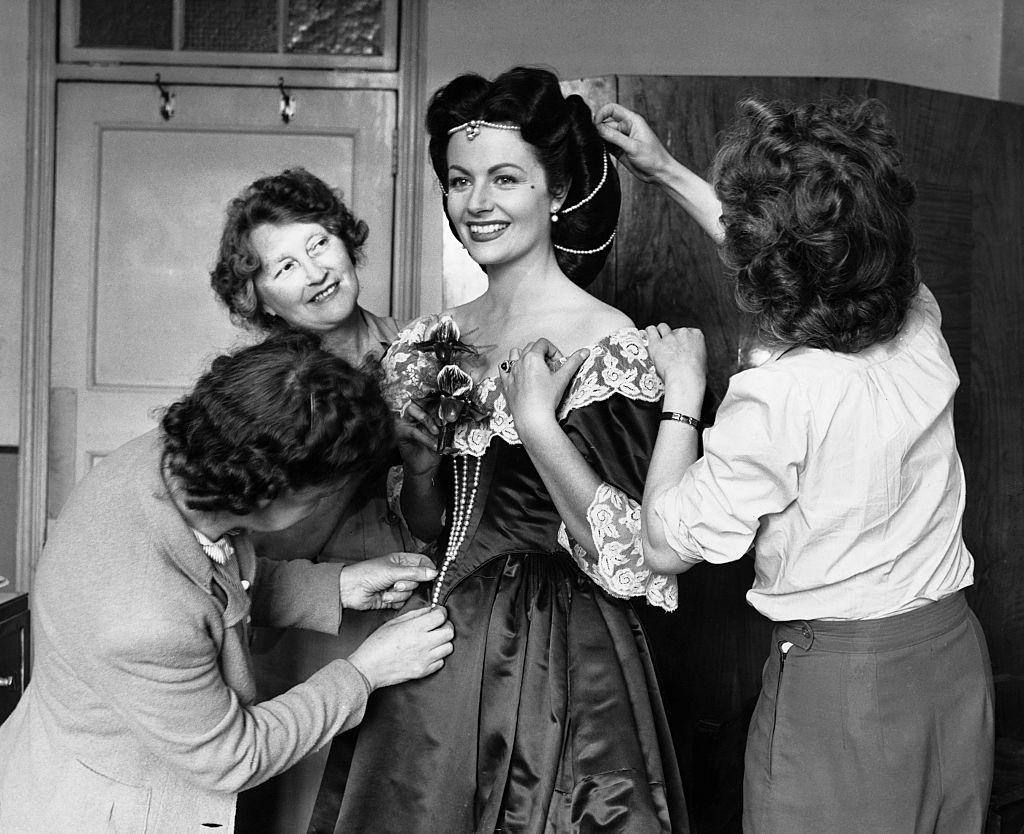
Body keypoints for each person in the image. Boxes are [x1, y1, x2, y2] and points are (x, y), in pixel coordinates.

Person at [596, 97, 995, 831]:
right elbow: (818, 248)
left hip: (845, 689)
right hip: (952, 661)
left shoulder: (780, 395)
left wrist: (684, 393)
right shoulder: (918, 318)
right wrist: (663, 170)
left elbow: (662, 543)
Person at [312, 66, 689, 834]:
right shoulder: (426, 340)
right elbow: (427, 529)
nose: (477, 203)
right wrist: (419, 464)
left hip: (562, 654)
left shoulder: (611, 343)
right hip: (436, 647)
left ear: (554, 192)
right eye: (459, 181)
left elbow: (629, 557)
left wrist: (539, 423)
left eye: (505, 178)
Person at [0, 332, 454, 834]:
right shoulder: (145, 623)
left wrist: (336, 585)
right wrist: (367, 672)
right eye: (324, 494)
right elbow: (234, 754)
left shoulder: (172, 458)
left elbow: (207, 583)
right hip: (106, 812)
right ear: (270, 494)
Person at [210, 169, 417, 829]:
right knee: (304, 811)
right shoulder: (258, 395)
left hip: (405, 613)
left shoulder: (424, 349)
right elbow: (261, 550)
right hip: (301, 635)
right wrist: (362, 431)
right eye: (284, 266)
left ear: (347, 241)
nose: (316, 271)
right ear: (260, 299)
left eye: (320, 243)